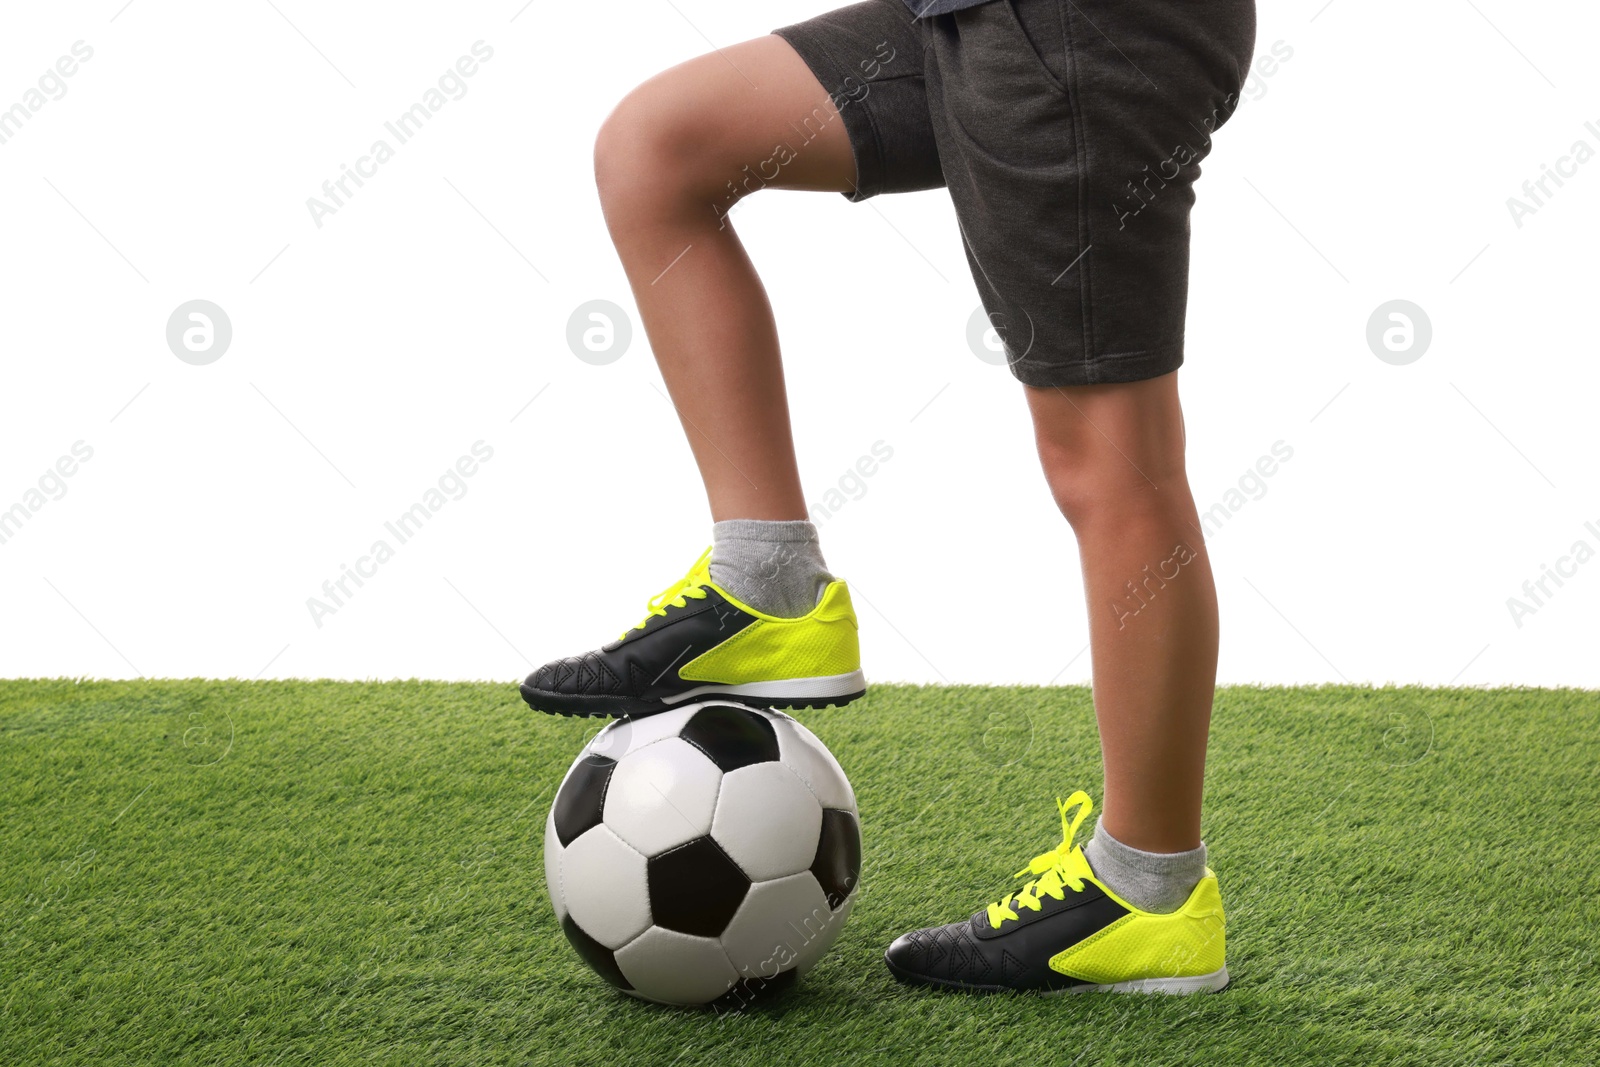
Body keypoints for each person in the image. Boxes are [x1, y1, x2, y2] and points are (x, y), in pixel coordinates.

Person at [521, 0, 1255, 994]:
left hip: (1079, 30)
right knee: (658, 148)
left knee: (1112, 461)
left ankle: (1146, 890)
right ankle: (767, 583)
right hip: (968, 17)